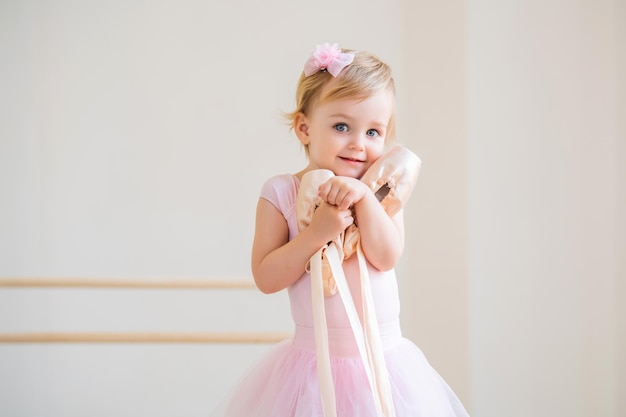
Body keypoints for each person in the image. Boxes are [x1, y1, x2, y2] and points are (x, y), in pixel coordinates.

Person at [210, 43, 470, 417]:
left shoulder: (383, 188)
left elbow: (386, 256)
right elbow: (267, 277)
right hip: (312, 369)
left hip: (384, 363)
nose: (358, 144)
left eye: (373, 132)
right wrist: (316, 234)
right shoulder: (281, 192)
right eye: (342, 126)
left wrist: (363, 198)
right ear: (304, 128)